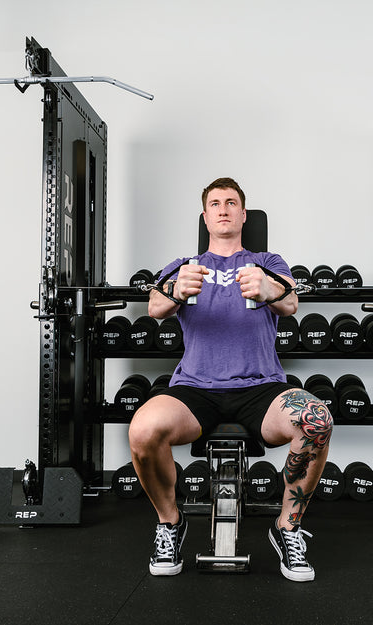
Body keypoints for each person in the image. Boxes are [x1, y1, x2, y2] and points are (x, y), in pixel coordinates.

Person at [128, 177, 333, 582]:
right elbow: (153, 307)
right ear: (205, 217)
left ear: (243, 214)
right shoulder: (184, 266)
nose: (223, 209)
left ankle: (286, 529)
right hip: (194, 389)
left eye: (231, 202)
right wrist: (174, 289)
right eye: (215, 203)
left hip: (261, 388)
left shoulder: (267, 262)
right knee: (143, 429)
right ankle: (170, 523)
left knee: (316, 419)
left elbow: (292, 301)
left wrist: (268, 288)